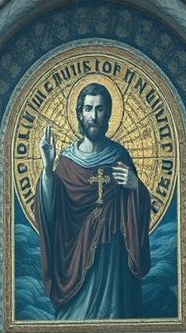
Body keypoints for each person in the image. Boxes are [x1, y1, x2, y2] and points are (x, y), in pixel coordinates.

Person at [35, 83, 152, 320]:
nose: (93, 116)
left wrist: (135, 186)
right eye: (88, 109)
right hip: (74, 259)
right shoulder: (67, 162)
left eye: (99, 109)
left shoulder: (119, 157)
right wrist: (48, 170)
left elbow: (136, 210)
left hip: (113, 263)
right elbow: (52, 212)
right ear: (79, 114)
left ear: (108, 114)